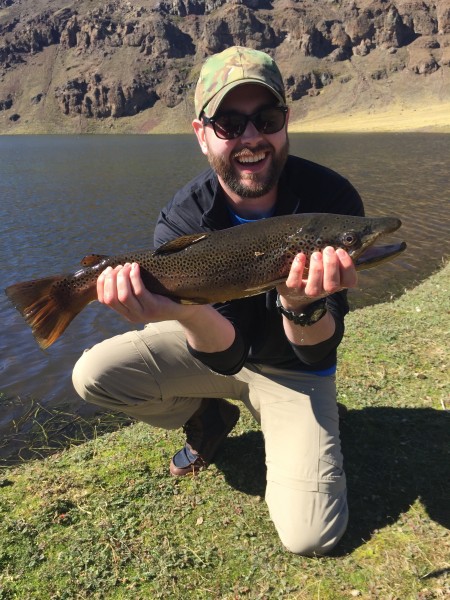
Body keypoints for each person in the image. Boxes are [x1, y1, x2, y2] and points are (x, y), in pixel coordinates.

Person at [73, 46, 364, 556]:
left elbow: (317, 353)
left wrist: (298, 302)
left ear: (285, 123)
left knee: (311, 537)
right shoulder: (184, 216)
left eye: (265, 119)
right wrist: (183, 309)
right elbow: (227, 356)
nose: (251, 138)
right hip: (212, 345)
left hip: (294, 370)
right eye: (229, 123)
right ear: (202, 134)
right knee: (93, 375)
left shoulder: (331, 202)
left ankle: (281, 414)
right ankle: (211, 415)